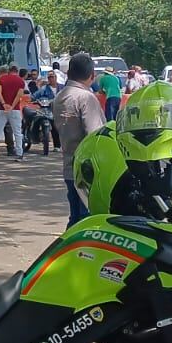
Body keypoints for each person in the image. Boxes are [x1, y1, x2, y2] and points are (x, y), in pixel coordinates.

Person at [52, 52, 106, 225]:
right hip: (88, 169)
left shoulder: (60, 96)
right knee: (86, 220)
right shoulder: (86, 97)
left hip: (69, 165)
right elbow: (95, 135)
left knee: (75, 218)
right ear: (92, 76)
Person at [0, 64, 28, 160]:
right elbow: (19, 95)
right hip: (15, 110)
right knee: (17, 132)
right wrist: (12, 106)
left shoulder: (2, 79)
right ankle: (19, 153)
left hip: (1, 109)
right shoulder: (20, 81)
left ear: (9, 71)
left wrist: (4, 104)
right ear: (17, 71)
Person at [30, 73, 62, 153]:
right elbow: (34, 96)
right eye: (49, 77)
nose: (51, 79)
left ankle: (59, 145)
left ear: (56, 77)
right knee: (37, 120)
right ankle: (35, 137)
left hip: (59, 110)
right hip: (47, 110)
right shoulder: (44, 88)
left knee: (59, 128)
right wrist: (34, 100)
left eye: (52, 77)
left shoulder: (62, 87)